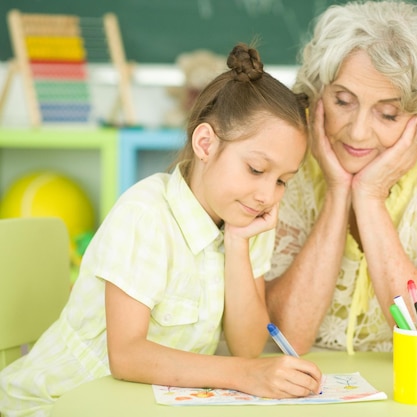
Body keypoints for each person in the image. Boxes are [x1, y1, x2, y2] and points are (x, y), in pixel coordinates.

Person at [0, 43, 321, 417]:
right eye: (255, 169)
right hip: (55, 403)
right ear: (205, 143)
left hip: (138, 406)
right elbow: (128, 355)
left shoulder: (247, 221)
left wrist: (236, 244)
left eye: (283, 180)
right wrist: (247, 375)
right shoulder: (146, 215)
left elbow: (247, 347)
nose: (268, 194)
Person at [265, 0, 417, 357]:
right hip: (321, 384)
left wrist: (368, 197)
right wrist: (338, 193)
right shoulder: (296, 147)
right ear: (318, 93)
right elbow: (288, 336)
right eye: (342, 101)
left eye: (387, 113)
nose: (358, 132)